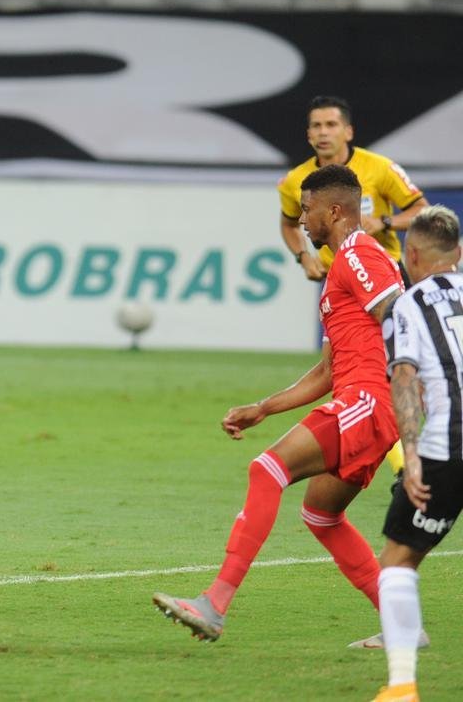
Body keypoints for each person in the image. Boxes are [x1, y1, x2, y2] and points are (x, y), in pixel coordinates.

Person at [152, 165, 407, 644]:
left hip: (369, 401)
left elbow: (400, 315)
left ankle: (214, 604)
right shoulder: (342, 267)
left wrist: (412, 395)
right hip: (364, 401)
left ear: (334, 210)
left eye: (307, 208)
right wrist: (264, 407)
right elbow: (327, 372)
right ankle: (402, 627)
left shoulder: (357, 254)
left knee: (266, 469)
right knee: (321, 515)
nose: (302, 219)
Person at [278, 95, 427, 476]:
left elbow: (420, 210)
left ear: (348, 131)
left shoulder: (379, 169)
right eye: (316, 125)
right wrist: (303, 257)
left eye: (331, 125)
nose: (323, 132)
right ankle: (384, 458)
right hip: (338, 282)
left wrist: (387, 224)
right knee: (346, 372)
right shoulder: (295, 181)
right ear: (308, 133)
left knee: (386, 367)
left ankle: (405, 460)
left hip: (382, 276)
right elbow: (288, 224)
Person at [369, 206, 463, 702]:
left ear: (413, 255)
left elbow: (403, 376)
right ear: (460, 253)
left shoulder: (410, 302)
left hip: (447, 448)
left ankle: (402, 686)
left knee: (399, 561)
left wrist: (411, 455)